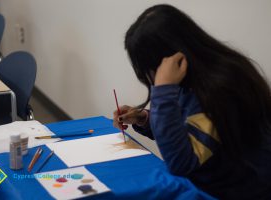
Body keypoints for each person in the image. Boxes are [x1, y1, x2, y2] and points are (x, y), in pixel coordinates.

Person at [113, 4, 271, 199]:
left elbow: (181, 162)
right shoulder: (192, 79)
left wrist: (163, 91)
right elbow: (189, 130)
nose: (150, 76)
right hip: (214, 184)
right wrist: (144, 118)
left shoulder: (219, 87)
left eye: (149, 67)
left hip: (237, 192)